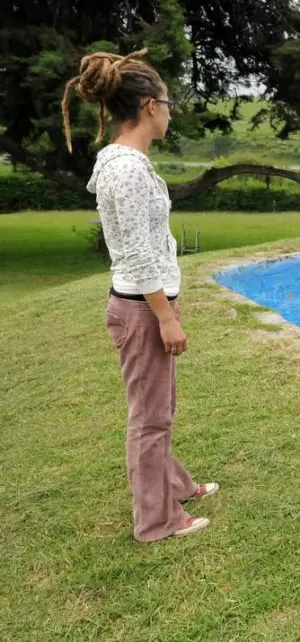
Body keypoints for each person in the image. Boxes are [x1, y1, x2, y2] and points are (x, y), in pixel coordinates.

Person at [61, 49, 217, 542]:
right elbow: (133, 252)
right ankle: (157, 521)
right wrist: (165, 315)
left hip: (146, 303)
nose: (171, 112)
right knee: (149, 419)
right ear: (151, 106)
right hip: (141, 307)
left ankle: (177, 485)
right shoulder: (126, 170)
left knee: (159, 409)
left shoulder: (128, 163)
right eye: (169, 103)